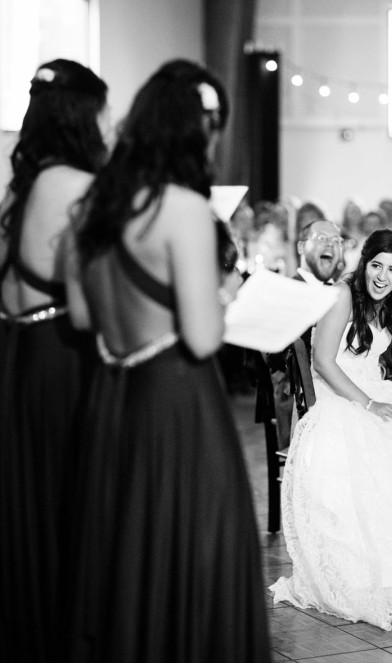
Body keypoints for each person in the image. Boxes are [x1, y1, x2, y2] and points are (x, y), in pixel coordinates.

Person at [64, 59, 271, 662]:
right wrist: (228, 292)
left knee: (128, 551)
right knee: (194, 549)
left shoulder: (92, 207)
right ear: (194, 130)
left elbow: (82, 316)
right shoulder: (182, 208)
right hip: (178, 403)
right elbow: (203, 339)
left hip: (113, 396)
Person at [270, 227, 392, 630]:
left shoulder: (388, 303)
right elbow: (323, 363)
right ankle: (374, 570)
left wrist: (379, 395)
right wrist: (369, 404)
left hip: (366, 389)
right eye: (377, 266)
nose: (382, 277)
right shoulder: (342, 295)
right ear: (364, 263)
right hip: (337, 402)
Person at [0, 58, 109, 663]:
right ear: (83, 116)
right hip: (63, 355)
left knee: (30, 504)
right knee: (70, 502)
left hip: (19, 349)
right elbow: (93, 300)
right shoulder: (75, 186)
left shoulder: (20, 185)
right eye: (105, 111)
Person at [262, 217, 345, 451]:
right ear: (301, 247)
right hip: (303, 404)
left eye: (336, 240)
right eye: (322, 238)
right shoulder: (284, 293)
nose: (330, 244)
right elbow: (274, 361)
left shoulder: (343, 295)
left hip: (341, 394)